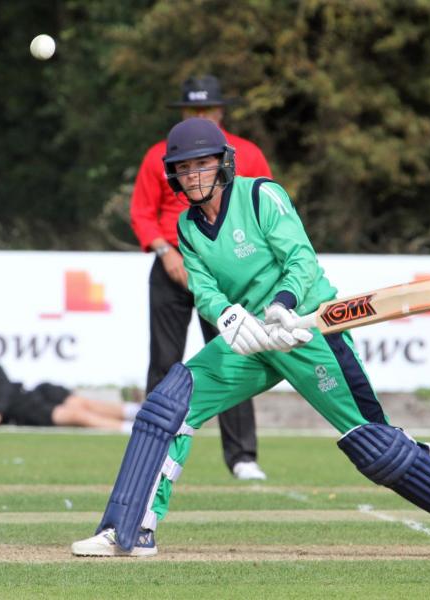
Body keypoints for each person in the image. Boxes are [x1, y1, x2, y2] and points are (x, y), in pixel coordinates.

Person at [71, 118, 430, 558]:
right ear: (174, 175)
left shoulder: (261, 196)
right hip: (254, 341)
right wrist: (228, 319)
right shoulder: (187, 227)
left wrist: (283, 305)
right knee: (168, 404)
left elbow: (300, 259)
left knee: (373, 443)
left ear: (222, 164)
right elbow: (205, 289)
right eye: (184, 167)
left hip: (305, 331)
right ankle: (128, 529)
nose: (194, 175)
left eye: (203, 164)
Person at [130, 75, 272, 480]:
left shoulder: (246, 152)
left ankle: (243, 457)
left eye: (206, 109)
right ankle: (152, 448)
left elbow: (264, 205)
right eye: (192, 110)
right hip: (171, 263)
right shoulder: (160, 155)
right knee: (163, 362)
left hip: (224, 266)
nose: (199, 116)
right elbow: (142, 211)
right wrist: (165, 251)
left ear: (220, 111)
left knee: (234, 355)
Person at [0, 335, 138, 431]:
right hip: (20, 410)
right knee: (76, 415)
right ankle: (130, 429)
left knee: (82, 403)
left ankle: (138, 413)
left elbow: (4, 386)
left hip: (30, 392)